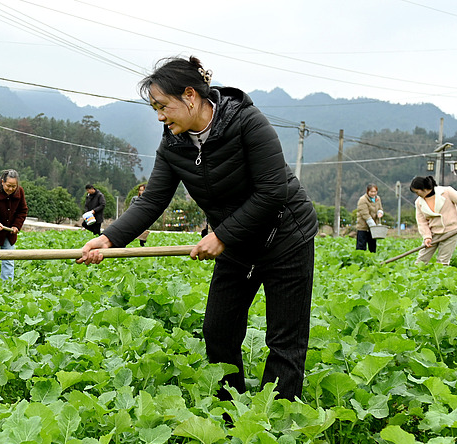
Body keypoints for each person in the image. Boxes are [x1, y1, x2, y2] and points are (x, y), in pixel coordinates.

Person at [77, 56, 318, 401]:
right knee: (218, 332)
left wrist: (221, 235)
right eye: (155, 109)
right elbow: (152, 200)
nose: (160, 116)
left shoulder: (247, 123)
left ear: (190, 96)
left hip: (285, 238)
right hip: (237, 246)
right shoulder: (174, 144)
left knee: (285, 340)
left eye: (163, 106)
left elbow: (272, 192)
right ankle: (228, 414)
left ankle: (277, 423)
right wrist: (108, 237)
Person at [409, 175, 457, 265]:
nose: (417, 194)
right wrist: (427, 236)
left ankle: (442, 276)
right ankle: (416, 275)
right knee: (421, 260)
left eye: (417, 192)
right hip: (433, 233)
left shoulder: (447, 192)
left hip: (451, 231)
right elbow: (422, 222)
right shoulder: (419, 202)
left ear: (424, 188)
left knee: (443, 261)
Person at [354, 184, 385, 252]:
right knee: (361, 246)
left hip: (373, 228)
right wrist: (373, 225)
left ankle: (372, 259)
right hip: (363, 227)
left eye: (375, 191)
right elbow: (365, 214)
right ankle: (360, 259)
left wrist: (380, 212)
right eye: (371, 191)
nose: (373, 193)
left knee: (372, 245)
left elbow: (380, 208)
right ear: (368, 191)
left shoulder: (377, 199)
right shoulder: (363, 200)